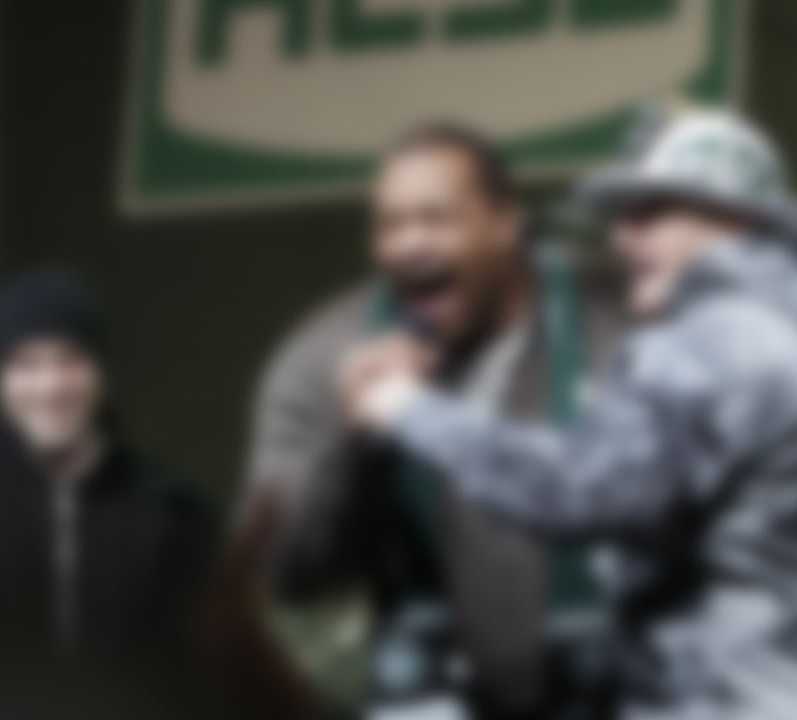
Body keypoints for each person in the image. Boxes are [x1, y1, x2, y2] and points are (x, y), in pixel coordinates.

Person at [339, 110, 797, 720]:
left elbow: (577, 487)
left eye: (650, 213)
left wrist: (408, 407)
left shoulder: (710, 345)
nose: (622, 239)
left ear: (737, 221)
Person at [239, 121, 624, 719]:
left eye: (436, 218)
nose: (410, 244)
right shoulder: (324, 355)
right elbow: (284, 571)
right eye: (390, 224)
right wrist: (359, 444)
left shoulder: (615, 319)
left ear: (506, 223)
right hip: (431, 687)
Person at [0, 270, 216, 720]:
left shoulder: (173, 514)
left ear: (101, 370)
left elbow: (196, 680)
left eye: (70, 360)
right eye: (25, 364)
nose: (50, 387)